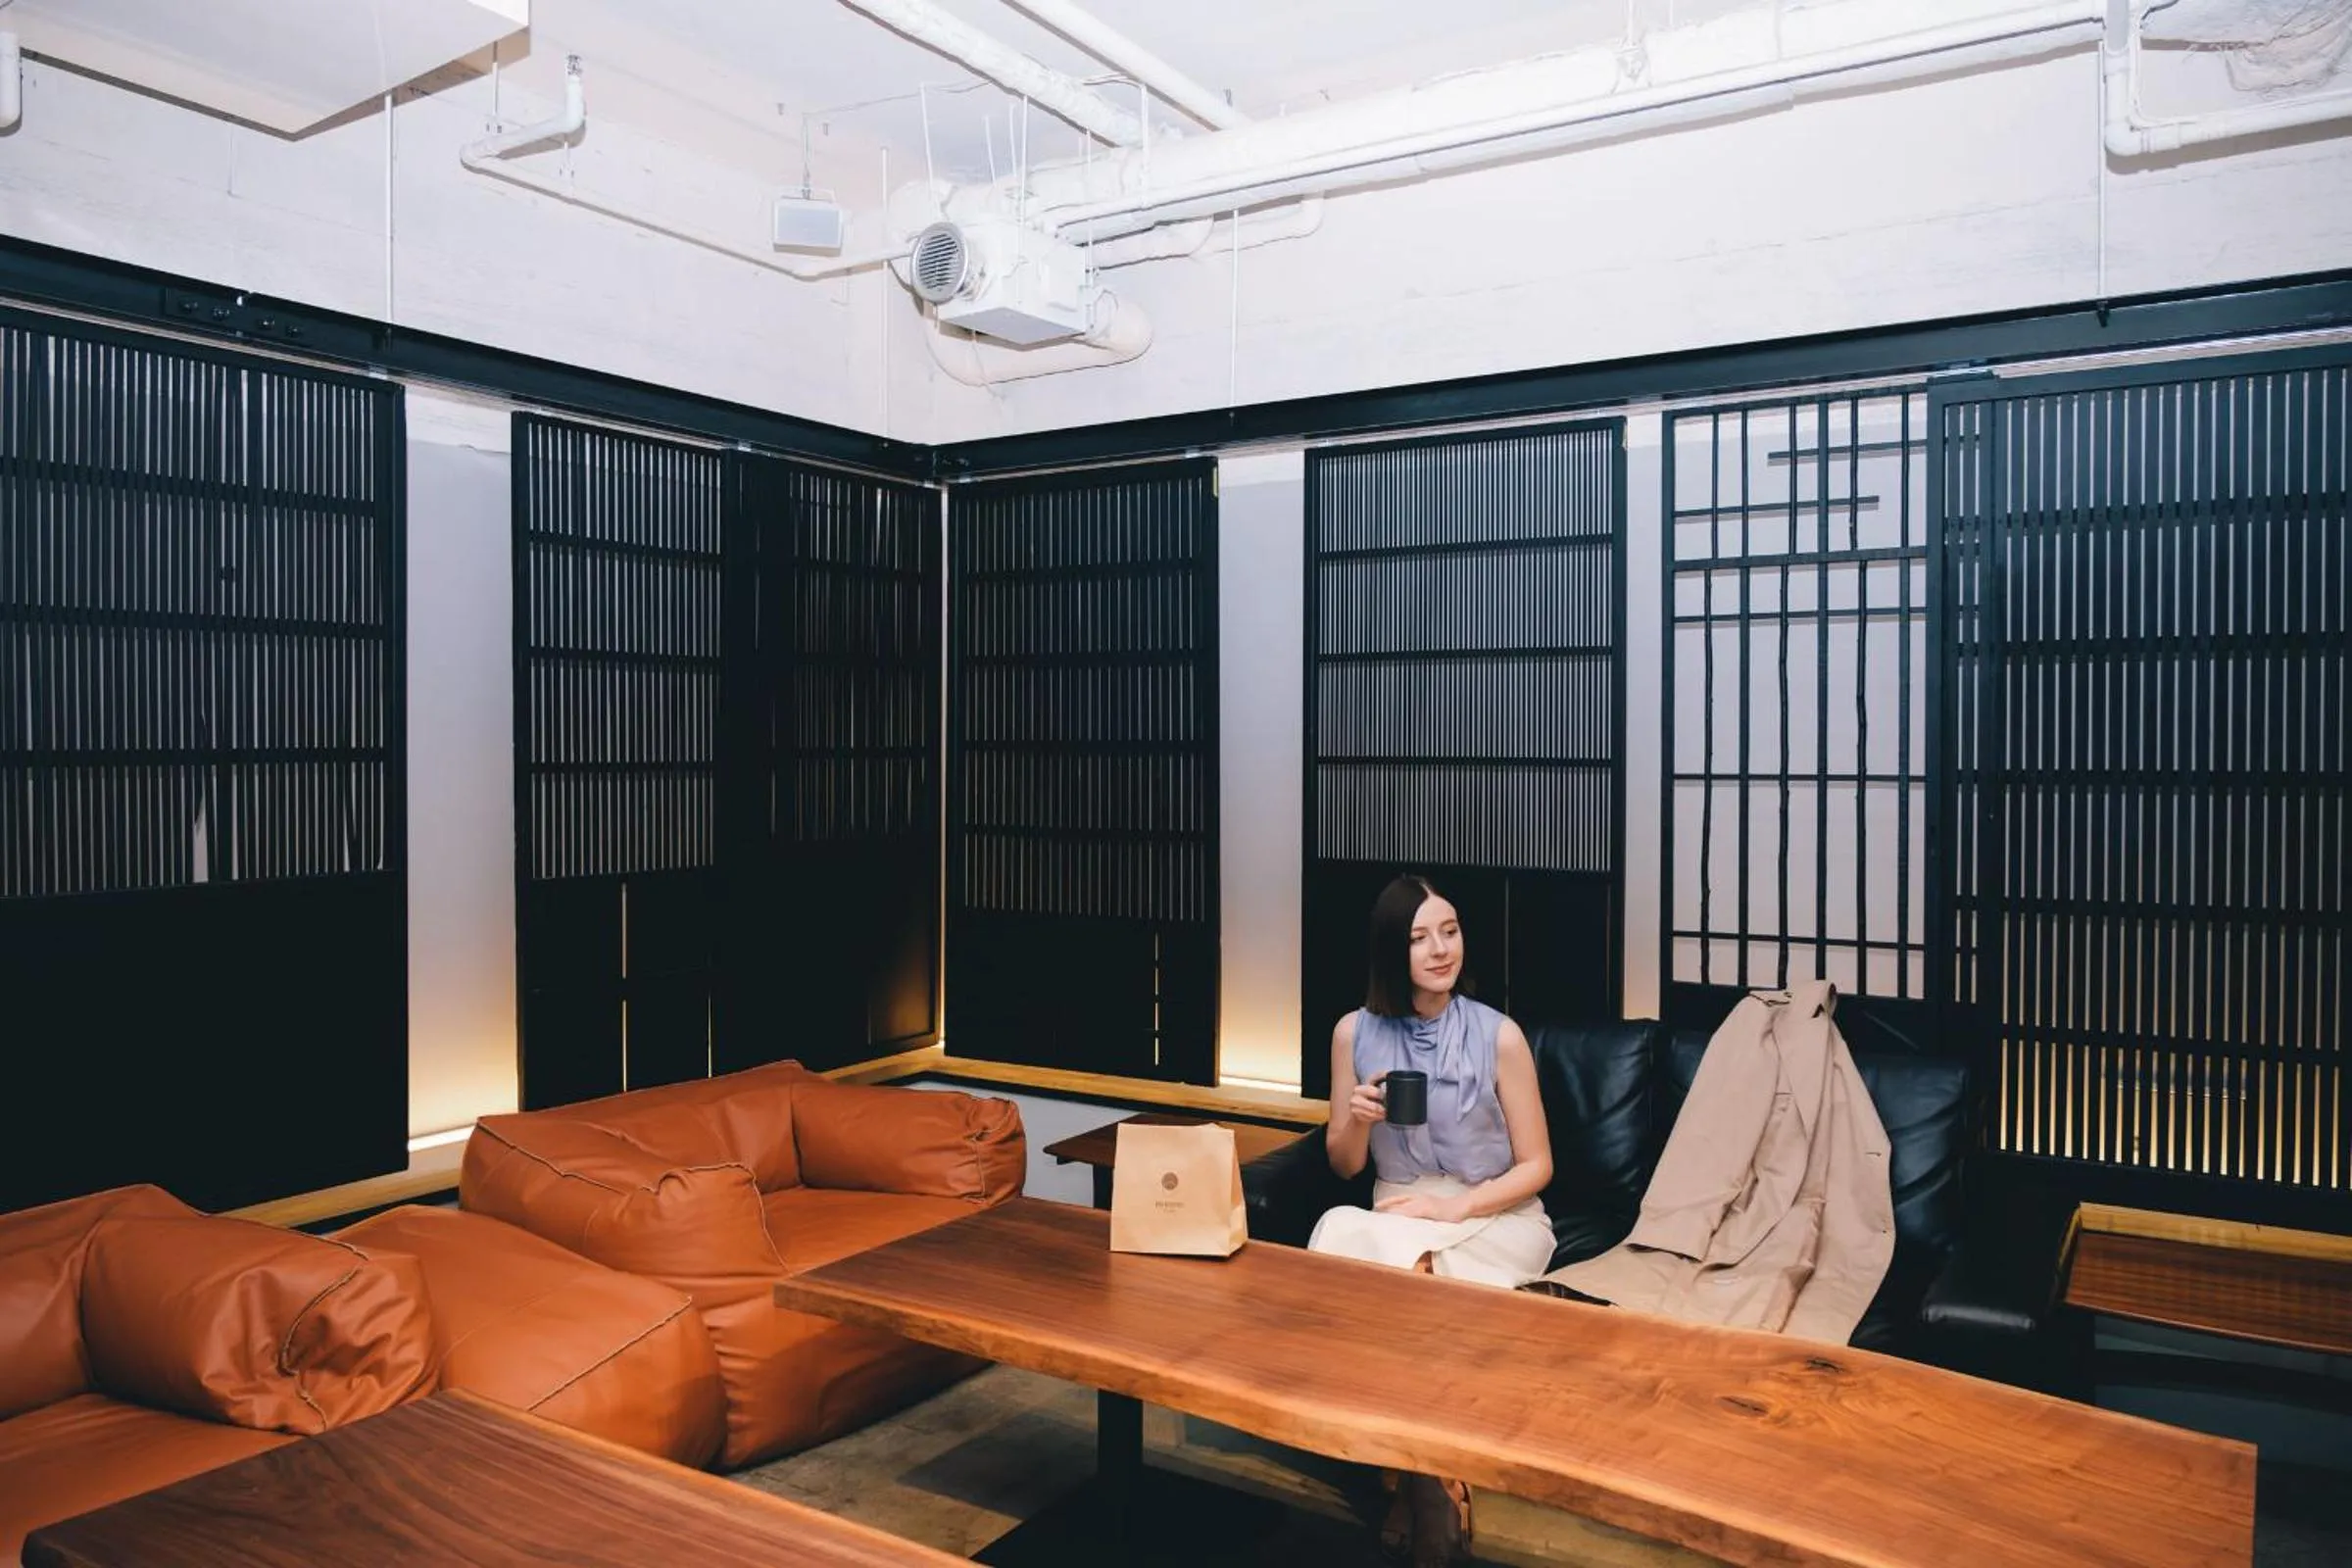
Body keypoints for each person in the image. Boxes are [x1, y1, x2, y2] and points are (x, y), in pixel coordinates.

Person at [1310, 873, 1555, 1566]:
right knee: (1340, 1233)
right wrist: (1355, 1119)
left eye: (1449, 930)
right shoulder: (1354, 1033)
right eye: (1420, 938)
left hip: (1495, 1211)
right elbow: (1344, 1167)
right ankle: (1432, 1469)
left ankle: (1419, 1488)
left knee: (1417, 1278)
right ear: (1393, 950)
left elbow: (1538, 1166)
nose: (1440, 949)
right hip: (1397, 1206)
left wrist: (1452, 1209)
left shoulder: (1498, 1036)